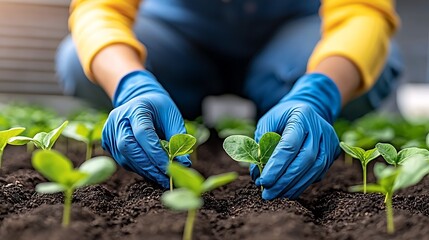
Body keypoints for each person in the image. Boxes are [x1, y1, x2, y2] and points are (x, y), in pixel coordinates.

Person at [56, 0, 402, 200]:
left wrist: (320, 91)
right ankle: (169, 106)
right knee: (80, 59)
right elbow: (98, 7)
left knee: (369, 67)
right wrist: (130, 82)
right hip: (177, 33)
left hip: (294, 34)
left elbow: (363, 11)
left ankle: (288, 104)